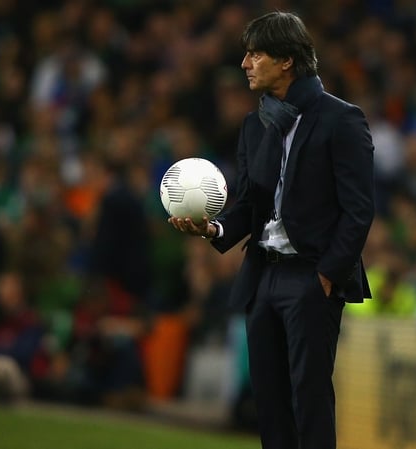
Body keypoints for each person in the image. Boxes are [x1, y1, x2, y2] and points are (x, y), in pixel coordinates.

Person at [168, 11, 375, 449]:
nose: (245, 63)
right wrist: (214, 228)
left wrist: (327, 274)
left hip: (311, 275)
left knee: (310, 398)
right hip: (262, 276)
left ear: (287, 61)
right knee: (269, 401)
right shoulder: (255, 124)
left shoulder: (342, 119)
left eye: (255, 54)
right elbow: (247, 204)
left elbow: (359, 209)